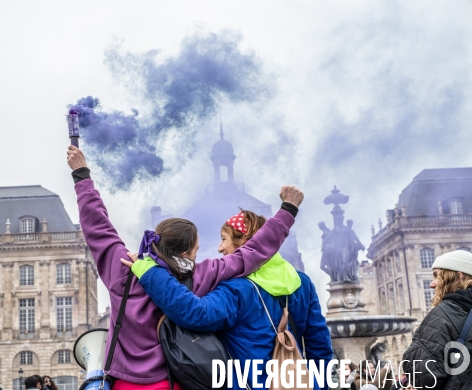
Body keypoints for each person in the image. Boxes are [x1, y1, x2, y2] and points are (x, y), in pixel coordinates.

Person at [66, 145, 304, 389]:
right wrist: (288, 210)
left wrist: (82, 175)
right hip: (174, 381)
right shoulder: (201, 274)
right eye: (196, 251)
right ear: (186, 253)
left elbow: (98, 227)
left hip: (126, 383)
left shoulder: (124, 267)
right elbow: (252, 253)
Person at [123, 208, 333, 389]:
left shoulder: (235, 289)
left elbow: (195, 313)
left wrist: (149, 271)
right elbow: (320, 347)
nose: (220, 248)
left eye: (224, 239)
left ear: (248, 245)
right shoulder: (303, 283)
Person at [402, 249, 472, 389]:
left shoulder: (443, 315)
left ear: (459, 277)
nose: (432, 284)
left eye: (436, 276)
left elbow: (424, 376)